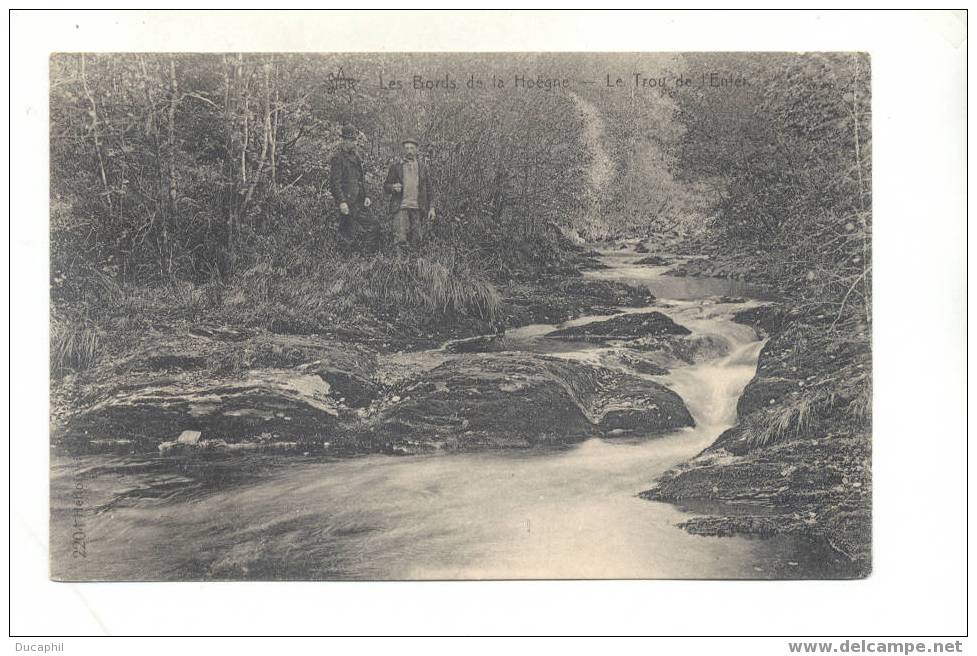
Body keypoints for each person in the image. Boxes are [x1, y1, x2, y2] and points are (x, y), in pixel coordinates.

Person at [328, 124, 379, 254]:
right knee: (347, 233)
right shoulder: (338, 158)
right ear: (344, 140)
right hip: (347, 202)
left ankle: (367, 257)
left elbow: (360, 179)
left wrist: (366, 196)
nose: (353, 143)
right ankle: (346, 264)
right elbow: (335, 183)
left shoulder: (356, 157)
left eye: (354, 140)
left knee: (373, 225)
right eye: (350, 140)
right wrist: (342, 202)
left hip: (359, 200)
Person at [383, 136, 435, 252]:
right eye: (407, 148)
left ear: (416, 150)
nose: (409, 151)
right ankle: (399, 266)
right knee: (400, 241)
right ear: (403, 150)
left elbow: (429, 189)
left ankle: (413, 267)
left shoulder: (423, 168)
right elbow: (386, 186)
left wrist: (431, 208)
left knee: (417, 241)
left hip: (418, 209)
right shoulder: (396, 167)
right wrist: (393, 187)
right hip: (401, 208)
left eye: (412, 148)